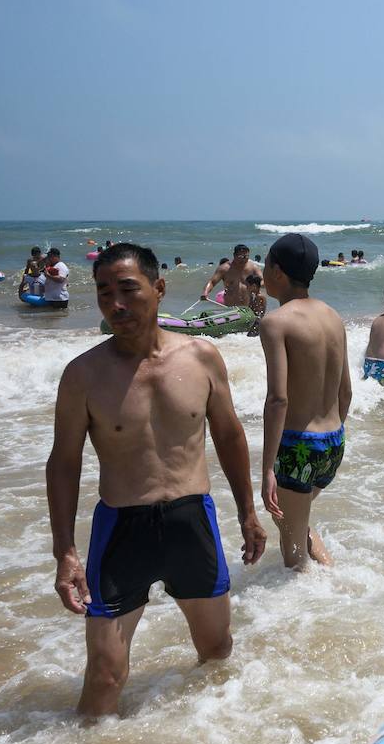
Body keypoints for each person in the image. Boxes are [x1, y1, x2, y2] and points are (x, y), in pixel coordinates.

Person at [46, 243, 266, 717]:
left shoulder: (202, 358)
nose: (116, 304)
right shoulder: (83, 375)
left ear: (159, 289)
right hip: (122, 530)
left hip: (192, 522)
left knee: (215, 652)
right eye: (104, 293)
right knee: (105, 677)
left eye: (128, 290)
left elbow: (229, 436)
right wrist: (64, 551)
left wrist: (248, 514)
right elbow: (64, 463)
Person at [259, 234, 351, 570]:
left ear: (278, 272)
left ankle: (322, 608)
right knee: (294, 522)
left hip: (297, 446)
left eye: (265, 263)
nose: (262, 271)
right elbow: (346, 393)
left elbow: (278, 399)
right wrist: (332, 436)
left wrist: (268, 467)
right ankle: (332, 580)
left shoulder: (275, 322)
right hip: (332, 443)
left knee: (292, 557)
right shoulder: (332, 317)